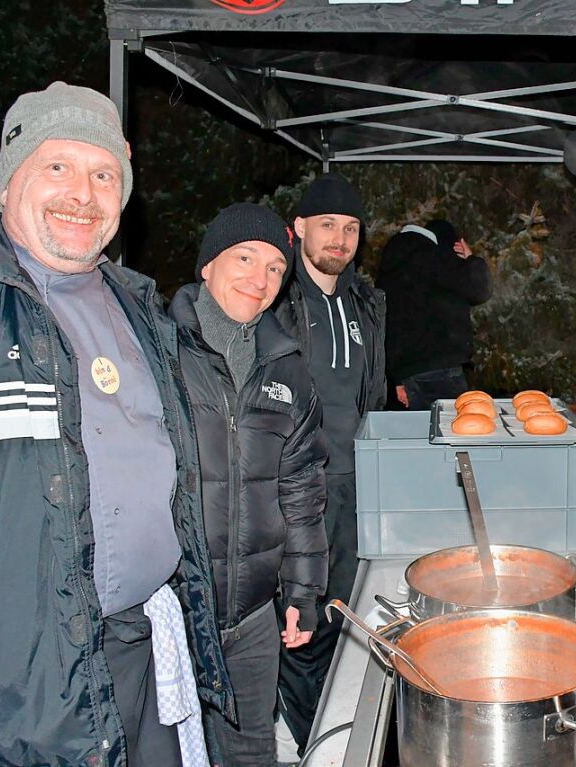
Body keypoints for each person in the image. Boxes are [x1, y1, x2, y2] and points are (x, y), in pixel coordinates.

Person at [0, 82, 231, 767]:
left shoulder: (139, 307)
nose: (81, 193)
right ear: (8, 180)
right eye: (57, 166)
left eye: (103, 174)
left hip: (140, 655)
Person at [169, 203, 328, 766]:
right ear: (207, 266)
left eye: (274, 269)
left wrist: (304, 593)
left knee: (251, 750)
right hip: (175, 612)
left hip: (255, 616)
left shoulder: (287, 367)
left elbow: (302, 487)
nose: (258, 280)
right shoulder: (161, 352)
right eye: (244, 259)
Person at [273, 173, 386, 754]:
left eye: (350, 228)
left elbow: (372, 392)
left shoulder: (366, 302)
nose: (339, 239)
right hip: (297, 481)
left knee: (346, 606)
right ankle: (305, 739)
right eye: (327, 226)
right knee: (302, 611)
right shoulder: (277, 300)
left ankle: (332, 725)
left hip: (356, 479)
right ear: (299, 230)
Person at [377, 219, 492, 410]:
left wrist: (395, 378)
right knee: (452, 434)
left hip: (406, 375)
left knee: (420, 436)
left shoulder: (391, 264)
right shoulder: (434, 256)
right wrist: (471, 259)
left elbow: (387, 325)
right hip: (442, 371)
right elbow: (480, 288)